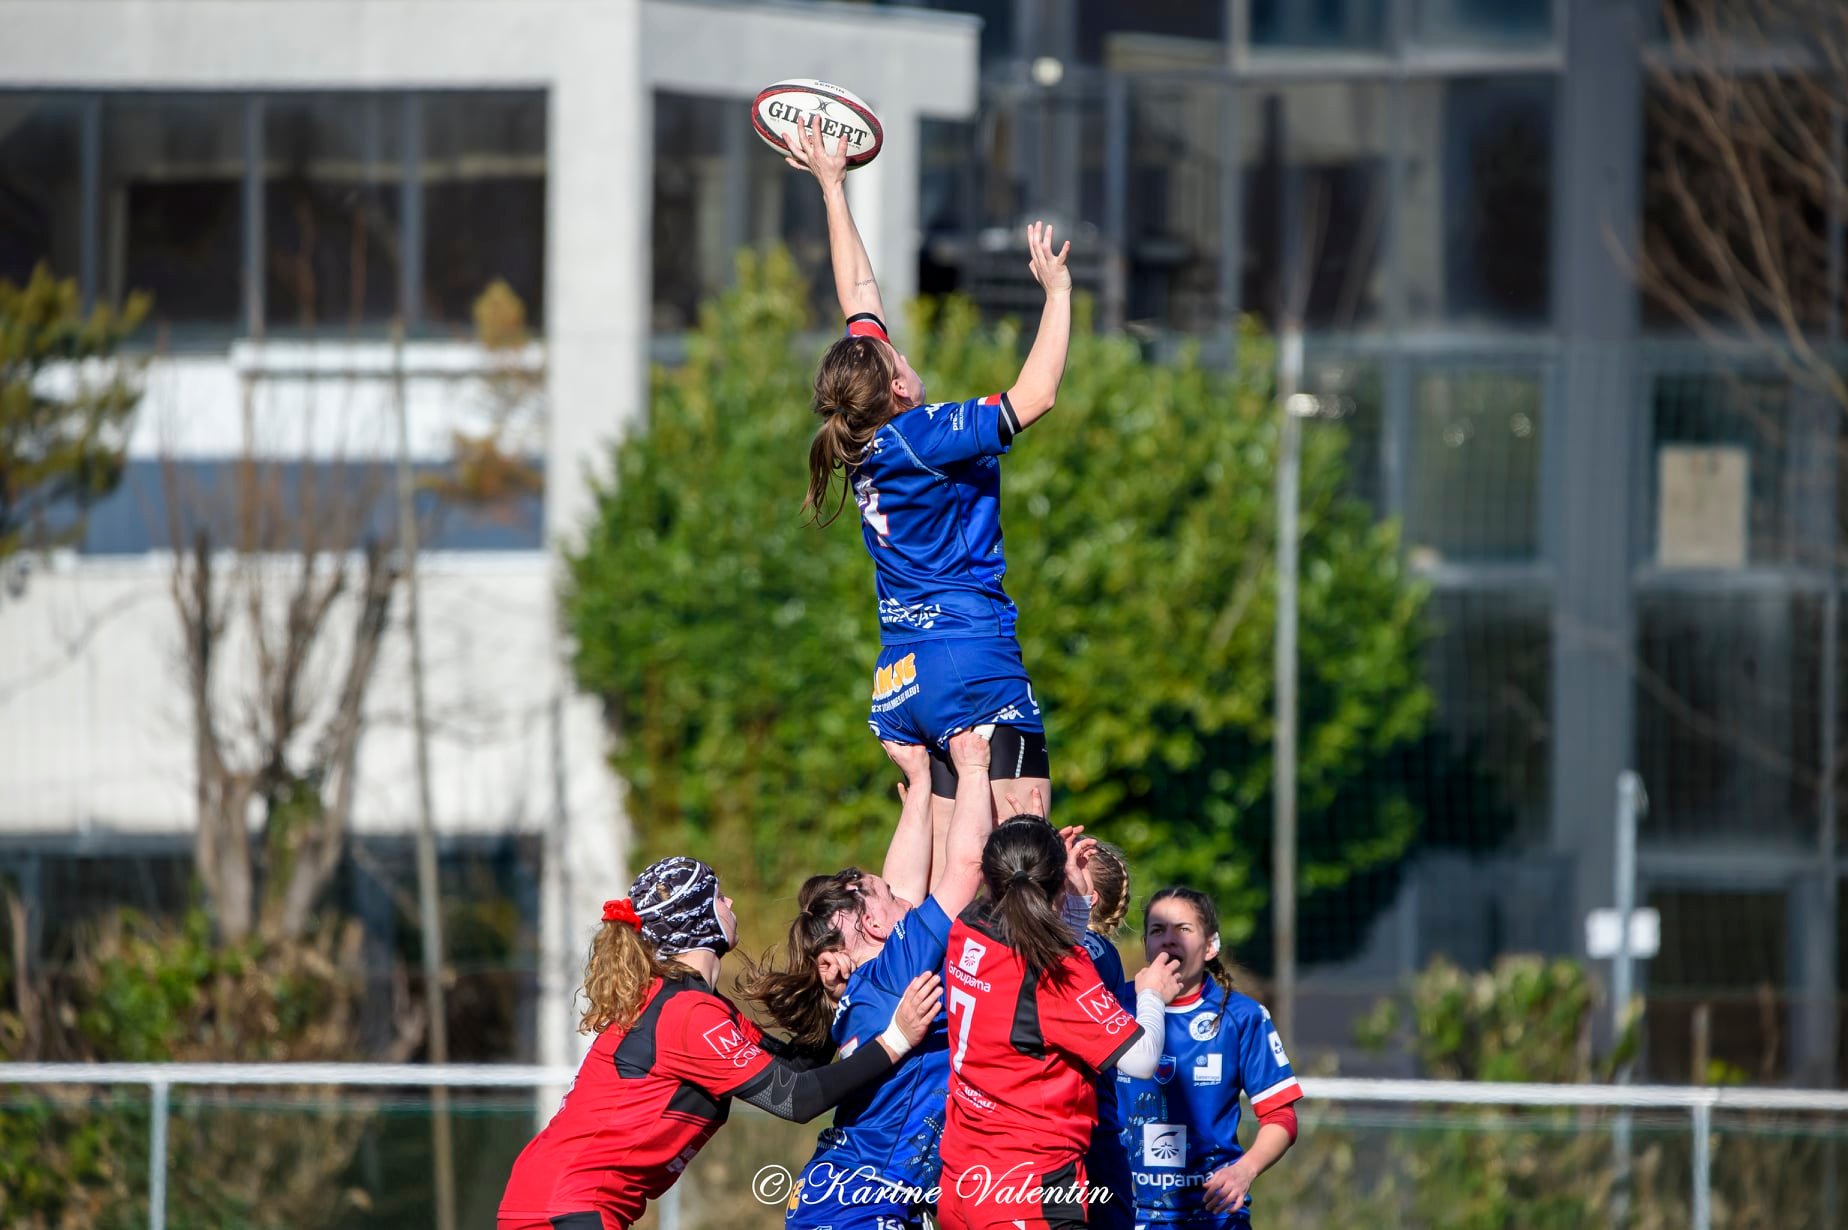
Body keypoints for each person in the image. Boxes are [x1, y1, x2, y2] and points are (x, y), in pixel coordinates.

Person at [782, 112, 1072, 831]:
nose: (897, 350)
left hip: (905, 673)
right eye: (896, 357)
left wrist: (831, 186)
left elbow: (858, 295)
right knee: (1021, 860)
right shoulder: (924, 435)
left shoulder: (863, 438)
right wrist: (1060, 297)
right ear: (900, 388)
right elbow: (1035, 397)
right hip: (971, 657)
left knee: (949, 877)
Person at [498, 855, 942, 1230]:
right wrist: (895, 1040)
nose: (729, 903)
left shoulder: (696, 1007)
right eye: (718, 897)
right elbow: (799, 1100)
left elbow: (798, 1070)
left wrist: (833, 997)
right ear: (699, 920)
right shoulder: (687, 1015)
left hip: (558, 1201)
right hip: (565, 1205)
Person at [745, 728, 997, 1230]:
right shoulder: (898, 965)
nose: (913, 898)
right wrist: (972, 769)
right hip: (864, 1207)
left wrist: (921, 781)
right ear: (876, 927)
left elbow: (893, 885)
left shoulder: (865, 984)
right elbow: (967, 866)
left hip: (841, 1197)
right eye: (896, 902)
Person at [938, 818, 1182, 1230]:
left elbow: (1035, 955)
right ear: (1055, 883)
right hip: (1026, 1191)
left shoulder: (967, 926)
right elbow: (1140, 1060)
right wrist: (1153, 996)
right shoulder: (1058, 970)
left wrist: (1072, 899)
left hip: (961, 1178)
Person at [1115, 887, 1303, 1229]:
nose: (1168, 941)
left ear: (1210, 945)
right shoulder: (1113, 1006)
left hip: (1211, 1216)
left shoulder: (1240, 1016)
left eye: (1182, 930)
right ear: (1145, 943)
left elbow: (1281, 1116)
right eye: (1158, 930)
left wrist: (1244, 1171)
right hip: (1124, 1213)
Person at [1077, 842, 1135, 1230]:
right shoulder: (1099, 950)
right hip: (1089, 1127)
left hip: (1089, 1128)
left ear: (1090, 896)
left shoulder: (1090, 950)